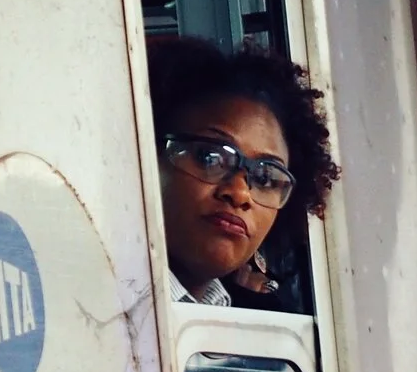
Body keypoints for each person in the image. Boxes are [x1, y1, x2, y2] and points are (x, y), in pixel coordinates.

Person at [145, 38, 339, 307]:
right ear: (147, 155)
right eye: (209, 158)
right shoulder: (91, 298)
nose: (240, 193)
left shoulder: (269, 332)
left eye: (265, 178)